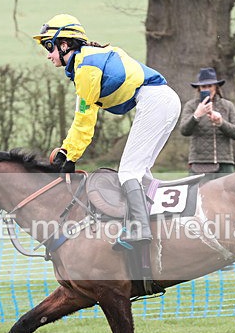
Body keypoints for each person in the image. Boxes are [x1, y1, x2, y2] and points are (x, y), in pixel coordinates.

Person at [33, 13, 181, 250]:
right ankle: (163, 222)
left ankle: (140, 229)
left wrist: (69, 155)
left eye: (49, 47)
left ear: (65, 44)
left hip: (156, 102)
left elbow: (84, 119)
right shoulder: (87, 59)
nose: (48, 55)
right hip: (164, 100)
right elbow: (83, 116)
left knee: (129, 172)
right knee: (141, 172)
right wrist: (68, 152)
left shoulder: (86, 68)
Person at [179, 67, 235, 180]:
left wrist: (221, 123)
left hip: (225, 163)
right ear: (199, 89)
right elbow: (184, 131)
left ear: (216, 87)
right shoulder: (191, 106)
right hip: (199, 163)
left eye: (210, 86)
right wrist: (196, 116)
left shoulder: (228, 106)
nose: (207, 89)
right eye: (204, 87)